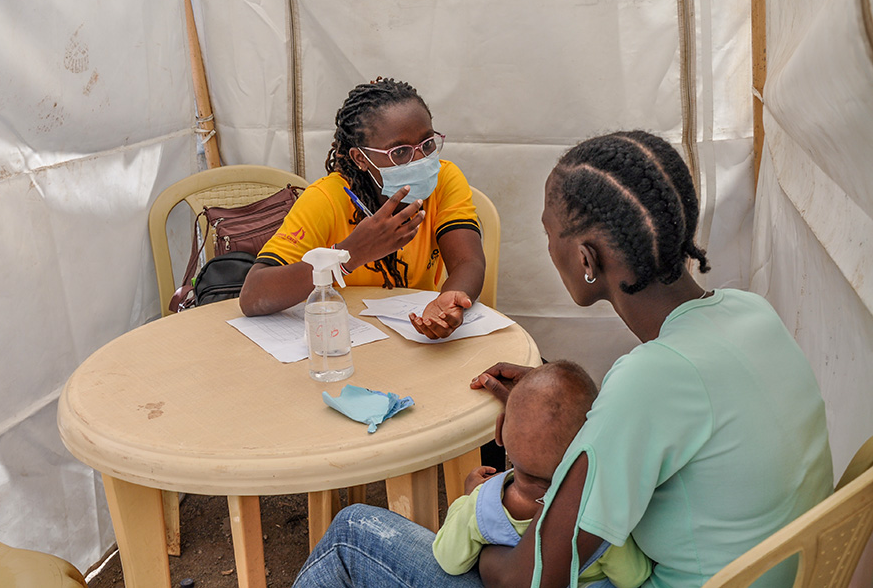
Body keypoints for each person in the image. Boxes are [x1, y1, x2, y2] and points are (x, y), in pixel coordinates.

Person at [292, 130, 833, 588]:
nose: (549, 247)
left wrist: (488, 513)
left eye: (549, 233)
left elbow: (527, 577)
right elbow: (680, 418)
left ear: (586, 258)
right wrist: (558, 406)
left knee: (351, 535)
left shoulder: (651, 380)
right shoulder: (750, 313)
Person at [239, 78, 486, 340]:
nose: (420, 159)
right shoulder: (326, 198)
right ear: (361, 158)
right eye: (400, 152)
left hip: (414, 337)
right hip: (342, 341)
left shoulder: (444, 179)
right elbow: (254, 295)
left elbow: (467, 261)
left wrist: (451, 300)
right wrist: (349, 256)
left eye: (427, 144)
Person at [433, 361, 651, 588]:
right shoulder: (598, 516)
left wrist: (466, 499)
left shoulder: (481, 505)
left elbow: (448, 560)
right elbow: (634, 577)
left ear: (498, 431)